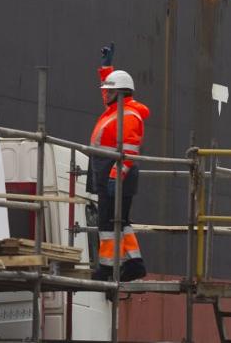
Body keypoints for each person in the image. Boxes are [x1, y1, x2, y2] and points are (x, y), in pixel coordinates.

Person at [88, 44, 149, 282]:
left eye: (110, 91)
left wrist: (116, 176)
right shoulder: (117, 110)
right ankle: (133, 263)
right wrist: (106, 68)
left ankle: (108, 267)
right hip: (108, 173)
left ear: (121, 93)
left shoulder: (129, 116)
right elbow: (109, 89)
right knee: (120, 221)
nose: (105, 94)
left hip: (116, 175)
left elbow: (130, 151)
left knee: (109, 222)